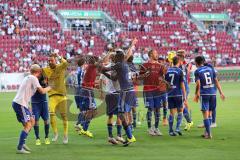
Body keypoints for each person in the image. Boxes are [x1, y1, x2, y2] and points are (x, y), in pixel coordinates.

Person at [101, 38, 138, 146]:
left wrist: (101, 68)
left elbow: (106, 69)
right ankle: (128, 135)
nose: (115, 57)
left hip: (125, 91)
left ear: (118, 57)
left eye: (116, 56)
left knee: (121, 114)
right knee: (123, 113)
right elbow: (113, 77)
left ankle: (130, 136)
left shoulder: (119, 64)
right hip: (129, 91)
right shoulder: (124, 64)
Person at [12, 64, 51, 154]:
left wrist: (28, 107)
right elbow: (42, 91)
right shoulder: (34, 78)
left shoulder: (28, 78)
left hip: (21, 104)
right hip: (20, 104)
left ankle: (23, 143)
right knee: (28, 125)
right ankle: (20, 147)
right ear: (38, 72)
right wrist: (50, 87)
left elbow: (26, 93)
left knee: (32, 121)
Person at [194, 56, 225, 139]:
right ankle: (206, 133)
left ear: (196, 63)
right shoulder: (210, 69)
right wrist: (221, 92)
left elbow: (198, 84)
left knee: (205, 115)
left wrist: (196, 94)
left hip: (204, 94)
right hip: (213, 93)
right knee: (210, 113)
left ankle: (209, 134)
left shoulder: (197, 71)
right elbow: (216, 81)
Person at [42, 53, 69, 144]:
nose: (50, 62)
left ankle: (65, 135)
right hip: (52, 96)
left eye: (52, 60)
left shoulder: (60, 67)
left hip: (62, 96)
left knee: (64, 116)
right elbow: (38, 73)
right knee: (51, 113)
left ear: (55, 60)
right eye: (49, 61)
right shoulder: (45, 70)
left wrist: (58, 55)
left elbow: (65, 63)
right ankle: (55, 133)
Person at [140, 50, 167, 136]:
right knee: (150, 109)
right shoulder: (144, 65)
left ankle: (156, 128)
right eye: (156, 53)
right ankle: (149, 128)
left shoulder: (160, 65)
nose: (157, 54)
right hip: (148, 90)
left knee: (158, 109)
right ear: (151, 54)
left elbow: (163, 76)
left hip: (158, 90)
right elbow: (140, 77)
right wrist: (145, 74)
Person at [99, 53, 124, 144]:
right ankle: (119, 135)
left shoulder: (107, 67)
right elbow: (114, 78)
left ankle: (110, 136)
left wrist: (101, 92)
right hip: (116, 93)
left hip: (108, 93)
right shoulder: (116, 67)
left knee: (110, 115)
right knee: (119, 115)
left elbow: (101, 79)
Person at [165, 56, 187, 136]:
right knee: (180, 111)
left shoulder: (167, 71)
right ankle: (177, 128)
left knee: (171, 113)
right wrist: (185, 95)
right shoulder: (179, 71)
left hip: (170, 94)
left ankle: (170, 130)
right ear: (178, 62)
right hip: (178, 94)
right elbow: (182, 84)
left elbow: (166, 84)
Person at [78, 55, 98, 138]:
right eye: (95, 60)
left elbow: (89, 80)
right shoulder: (90, 67)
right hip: (87, 91)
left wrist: (94, 84)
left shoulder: (91, 68)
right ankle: (84, 128)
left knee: (89, 110)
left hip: (87, 90)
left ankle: (82, 126)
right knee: (92, 110)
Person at [176, 50, 193, 131]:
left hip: (184, 88)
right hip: (181, 88)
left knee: (181, 106)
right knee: (180, 106)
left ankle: (189, 121)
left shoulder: (183, 66)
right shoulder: (184, 65)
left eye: (177, 55)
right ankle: (188, 120)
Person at [31, 74, 50, 146]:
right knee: (36, 121)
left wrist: (47, 83)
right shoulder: (33, 79)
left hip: (44, 102)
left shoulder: (44, 78)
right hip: (35, 103)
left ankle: (46, 137)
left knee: (46, 120)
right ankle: (37, 138)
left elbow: (48, 88)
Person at [74, 58, 86, 132]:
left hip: (76, 92)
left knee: (81, 110)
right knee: (85, 109)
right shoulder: (82, 71)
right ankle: (80, 124)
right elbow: (82, 82)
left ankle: (79, 124)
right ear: (83, 63)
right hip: (81, 91)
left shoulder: (76, 71)